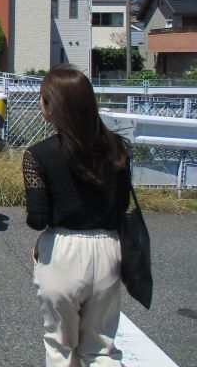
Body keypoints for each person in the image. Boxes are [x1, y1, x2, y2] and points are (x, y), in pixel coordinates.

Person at [23, 64, 130, 366]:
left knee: (59, 346)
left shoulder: (38, 154)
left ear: (50, 105)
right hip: (109, 249)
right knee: (101, 349)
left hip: (62, 252)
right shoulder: (117, 148)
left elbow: (37, 219)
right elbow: (121, 205)